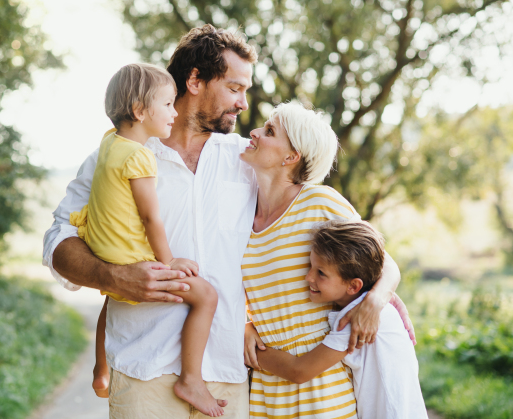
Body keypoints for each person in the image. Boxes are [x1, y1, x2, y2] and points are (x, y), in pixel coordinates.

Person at [43, 25, 259, 418]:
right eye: (234, 88)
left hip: (228, 374)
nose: (244, 102)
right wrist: (111, 277)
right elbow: (58, 239)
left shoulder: (249, 160)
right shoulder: (117, 154)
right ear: (195, 79)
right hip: (143, 371)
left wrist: (381, 287)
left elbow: (314, 223)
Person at [69, 63, 226, 416]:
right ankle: (191, 378)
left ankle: (101, 368)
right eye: (168, 104)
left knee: (113, 299)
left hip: (106, 249)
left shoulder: (110, 142)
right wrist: (169, 262)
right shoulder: (141, 156)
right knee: (206, 296)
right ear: (140, 112)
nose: (174, 112)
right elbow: (151, 216)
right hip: (130, 257)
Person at [241, 103, 414, 418]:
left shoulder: (320, 202)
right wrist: (242, 325)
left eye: (268, 131)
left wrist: (375, 301)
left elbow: (382, 262)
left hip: (322, 387)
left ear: (291, 157)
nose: (253, 133)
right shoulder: (240, 212)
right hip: (265, 389)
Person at [245, 220, 428, 419]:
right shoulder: (378, 306)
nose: (308, 277)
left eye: (320, 273)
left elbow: (300, 371)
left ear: (353, 286)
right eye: (310, 266)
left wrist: (247, 348)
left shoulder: (357, 319)